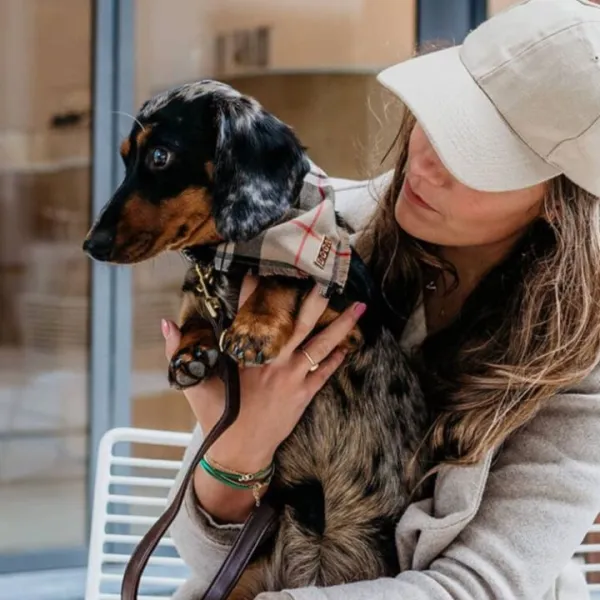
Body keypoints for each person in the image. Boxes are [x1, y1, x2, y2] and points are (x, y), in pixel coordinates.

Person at [162, 1, 600, 598]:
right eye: (440, 119)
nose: (425, 162)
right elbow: (206, 557)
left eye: (473, 154)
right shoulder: (314, 237)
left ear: (558, 201)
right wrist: (241, 443)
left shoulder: (579, 354)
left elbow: (480, 586)